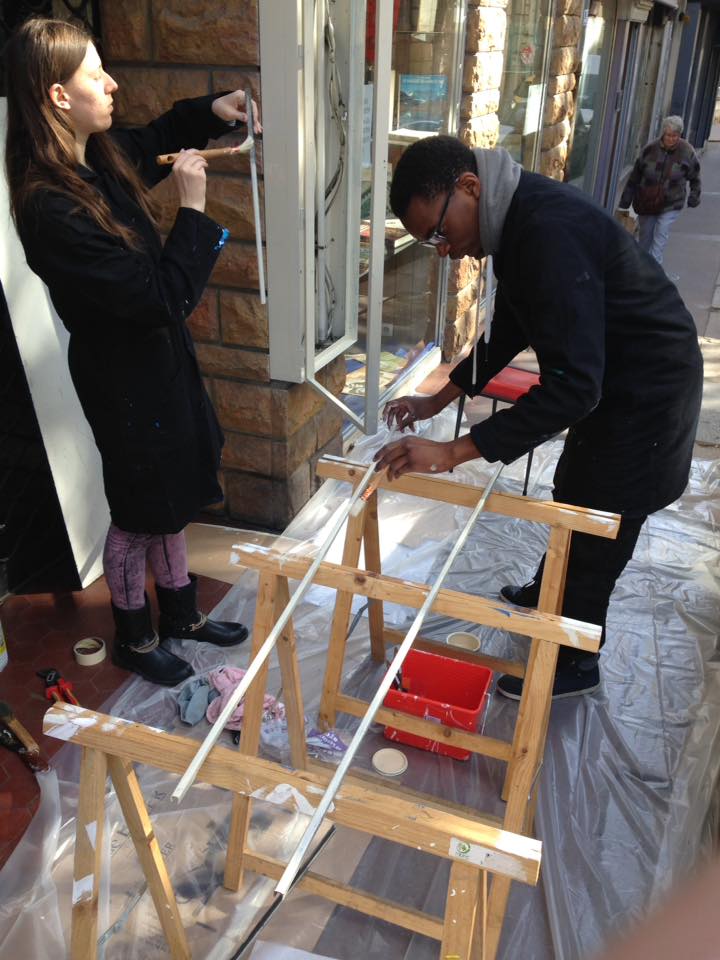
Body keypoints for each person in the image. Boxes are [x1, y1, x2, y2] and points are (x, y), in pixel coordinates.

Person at [373, 135, 703, 700]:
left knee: (601, 515)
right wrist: (437, 401)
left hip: (651, 391)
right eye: (430, 241)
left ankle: (575, 658)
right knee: (574, 484)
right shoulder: (514, 222)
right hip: (612, 380)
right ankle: (550, 591)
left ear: (469, 187)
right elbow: (509, 329)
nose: (443, 250)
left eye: (438, 232)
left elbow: (573, 387)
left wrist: (454, 452)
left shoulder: (546, 231)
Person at [5, 17, 261, 686]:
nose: (112, 83)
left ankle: (181, 616)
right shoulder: (49, 206)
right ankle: (136, 638)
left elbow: (153, 139)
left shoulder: (97, 156)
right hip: (122, 380)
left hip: (159, 365)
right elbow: (159, 298)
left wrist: (212, 110)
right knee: (140, 511)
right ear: (58, 95)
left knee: (171, 496)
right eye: (96, 74)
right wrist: (194, 212)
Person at [619, 115, 701, 267]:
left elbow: (695, 177)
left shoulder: (686, 152)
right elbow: (635, 176)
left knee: (661, 233)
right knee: (645, 236)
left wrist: (694, 196)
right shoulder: (650, 149)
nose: (671, 139)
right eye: (668, 135)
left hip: (671, 202)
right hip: (647, 201)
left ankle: (654, 269)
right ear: (663, 133)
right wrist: (625, 201)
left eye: (675, 136)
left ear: (680, 135)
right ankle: (641, 266)